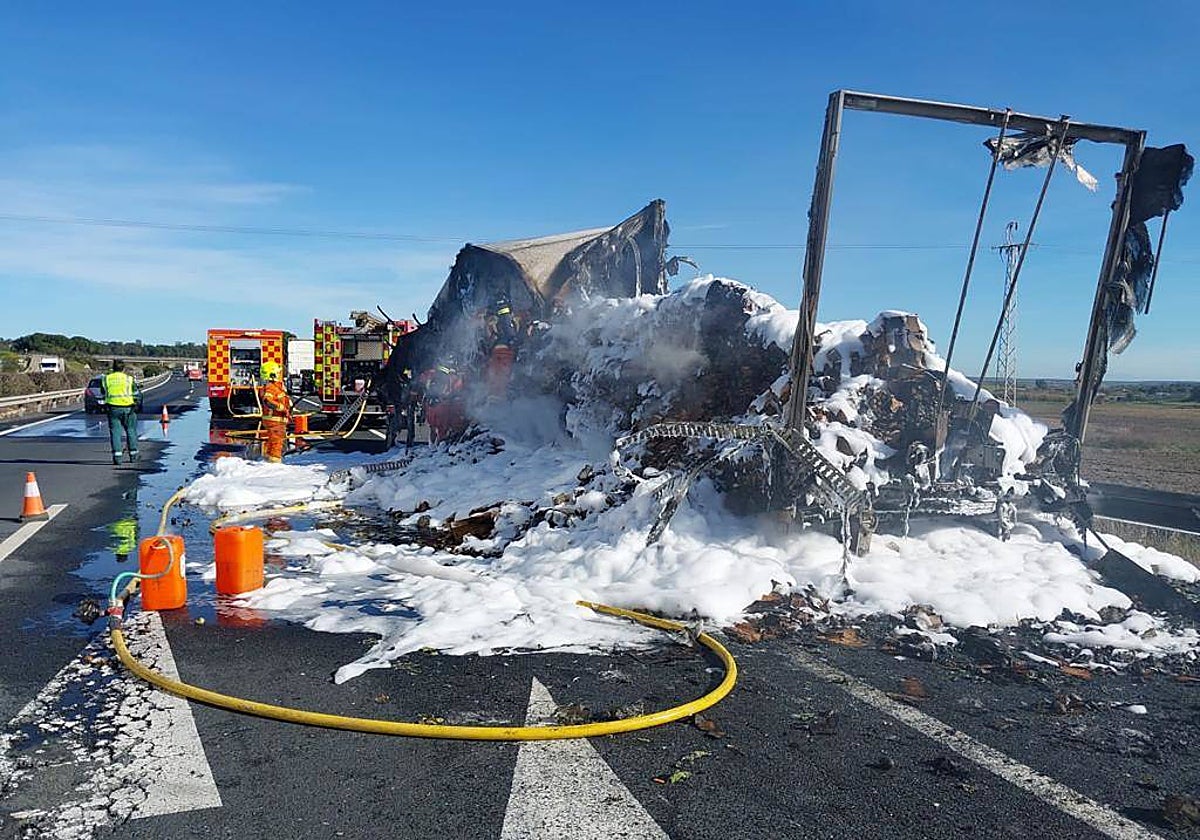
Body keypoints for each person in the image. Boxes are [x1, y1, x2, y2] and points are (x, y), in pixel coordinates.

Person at [418, 356, 466, 443]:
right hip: (441, 404)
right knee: (441, 428)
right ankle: (439, 445)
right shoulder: (448, 376)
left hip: (432, 404)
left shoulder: (430, 373)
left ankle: (435, 445)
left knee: (435, 427)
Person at [102, 360, 141, 465]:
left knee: (115, 432)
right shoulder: (129, 379)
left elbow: (103, 392)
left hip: (113, 408)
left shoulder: (106, 379)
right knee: (131, 430)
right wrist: (137, 404)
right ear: (123, 368)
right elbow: (136, 394)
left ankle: (117, 458)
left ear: (113, 368)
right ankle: (133, 455)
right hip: (128, 408)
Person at [259, 361, 291, 463]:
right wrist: (280, 407)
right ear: (272, 374)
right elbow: (267, 400)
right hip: (274, 421)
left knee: (273, 442)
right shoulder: (271, 387)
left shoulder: (276, 386)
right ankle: (274, 464)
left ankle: (268, 460)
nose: (279, 375)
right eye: (277, 373)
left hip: (277, 420)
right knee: (276, 443)